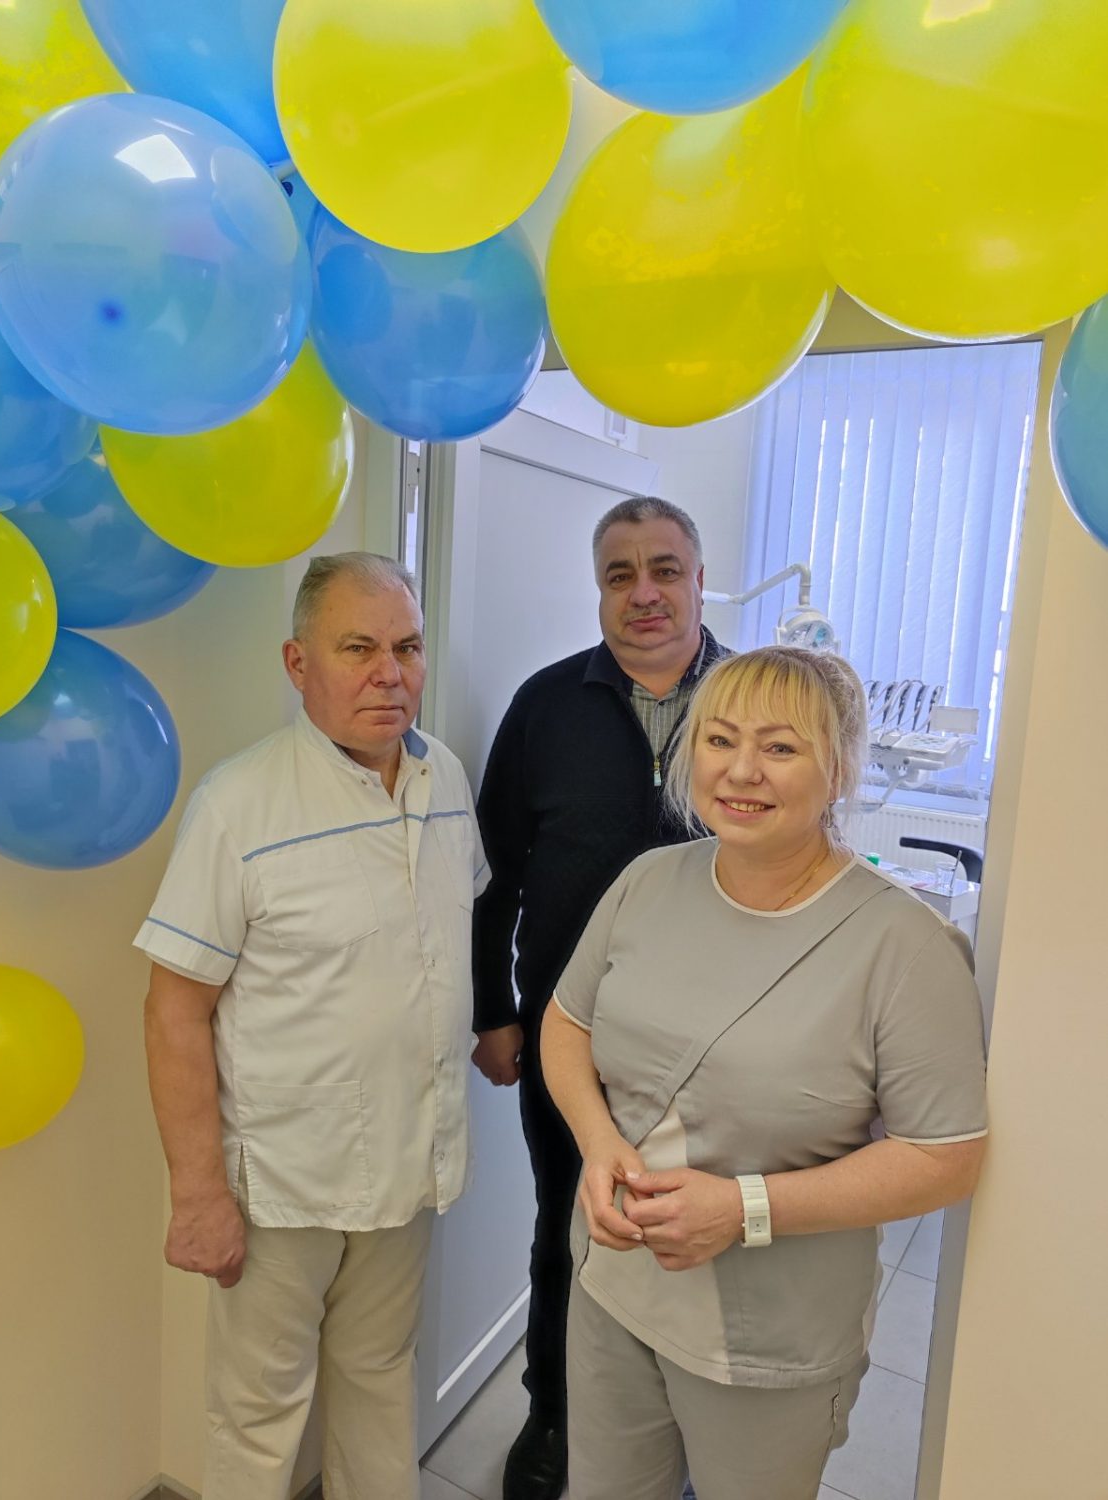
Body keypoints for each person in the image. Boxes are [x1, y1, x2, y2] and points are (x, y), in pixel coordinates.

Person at [540, 646, 988, 1500]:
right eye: (720, 739)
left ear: (840, 768)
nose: (741, 770)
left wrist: (743, 1210)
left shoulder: (904, 947)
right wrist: (597, 1145)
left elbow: (946, 1156)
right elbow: (567, 1023)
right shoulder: (647, 883)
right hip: (616, 1287)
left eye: (780, 747)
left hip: (772, 1338)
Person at [136, 553, 487, 1500]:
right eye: (358, 648)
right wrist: (197, 1195)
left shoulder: (445, 777)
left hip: (411, 1165)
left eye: (407, 647)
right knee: (259, 1416)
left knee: (381, 1381)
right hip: (285, 1185)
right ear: (299, 664)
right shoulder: (238, 805)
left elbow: (446, 941)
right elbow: (175, 1010)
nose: (390, 674)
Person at [471, 496, 728, 1500]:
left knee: (691, 1239)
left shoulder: (750, 702)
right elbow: (494, 873)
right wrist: (495, 1008)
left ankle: (682, 1438)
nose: (644, 592)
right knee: (566, 1228)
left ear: (700, 580)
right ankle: (554, 1417)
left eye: (665, 569)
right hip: (564, 1038)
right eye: (621, 574)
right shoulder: (545, 706)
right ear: (599, 590)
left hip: (716, 1045)